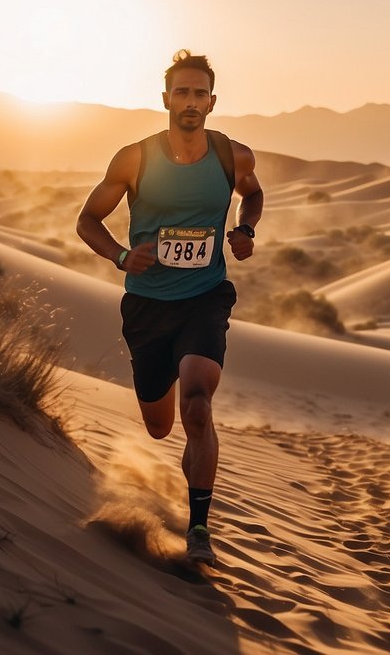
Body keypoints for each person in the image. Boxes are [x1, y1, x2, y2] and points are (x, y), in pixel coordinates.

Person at [76, 49, 263, 565]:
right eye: (181, 92)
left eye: (199, 93)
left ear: (212, 101)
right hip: (147, 307)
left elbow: (253, 193)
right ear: (165, 99)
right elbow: (87, 219)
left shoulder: (233, 156)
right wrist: (119, 255)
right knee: (160, 425)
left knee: (198, 404)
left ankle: (200, 529)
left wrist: (245, 230)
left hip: (205, 299)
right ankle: (169, 421)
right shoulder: (134, 158)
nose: (190, 101)